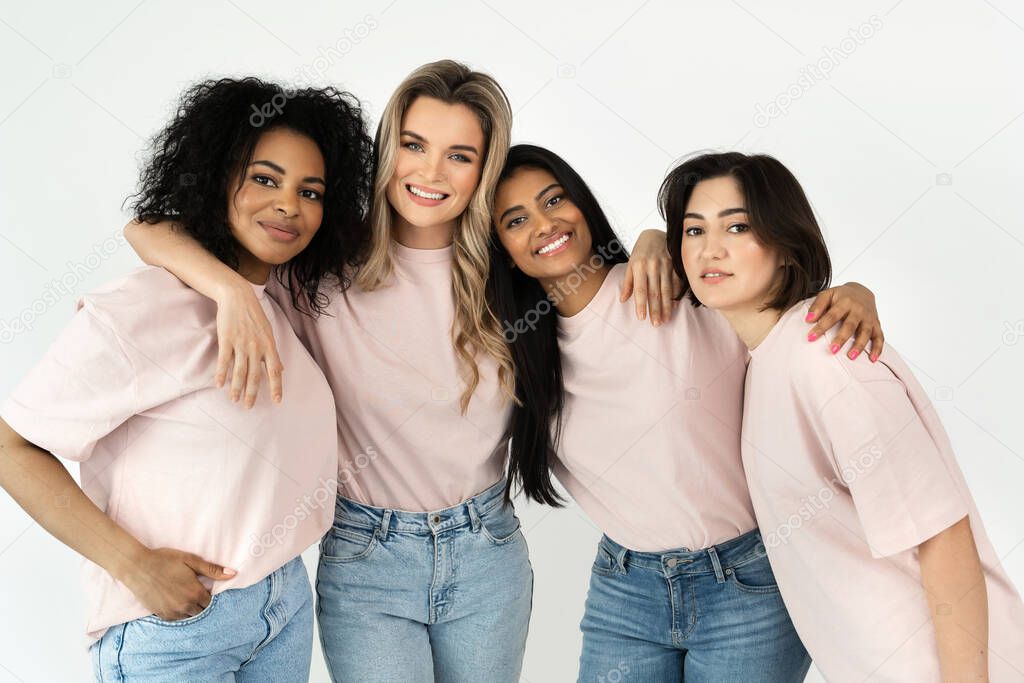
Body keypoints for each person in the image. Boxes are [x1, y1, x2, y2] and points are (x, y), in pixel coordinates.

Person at [0, 76, 373, 681]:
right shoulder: (144, 307)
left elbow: (150, 230)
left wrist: (233, 289)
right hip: (175, 627)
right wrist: (133, 564)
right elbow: (10, 445)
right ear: (217, 175)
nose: (288, 204)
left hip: (283, 605)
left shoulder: (283, 299)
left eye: (311, 190)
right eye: (264, 178)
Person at [490, 144, 884, 681]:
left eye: (554, 199)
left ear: (582, 204)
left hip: (747, 583)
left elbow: (781, 303)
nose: (544, 224)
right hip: (624, 587)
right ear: (504, 250)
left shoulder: (678, 288)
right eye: (516, 220)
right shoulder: (516, 351)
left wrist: (854, 292)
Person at [666, 150, 1024, 681]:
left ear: (787, 246)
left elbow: (942, 536)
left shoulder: (826, 359)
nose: (710, 249)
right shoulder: (766, 357)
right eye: (693, 232)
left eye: (737, 226)